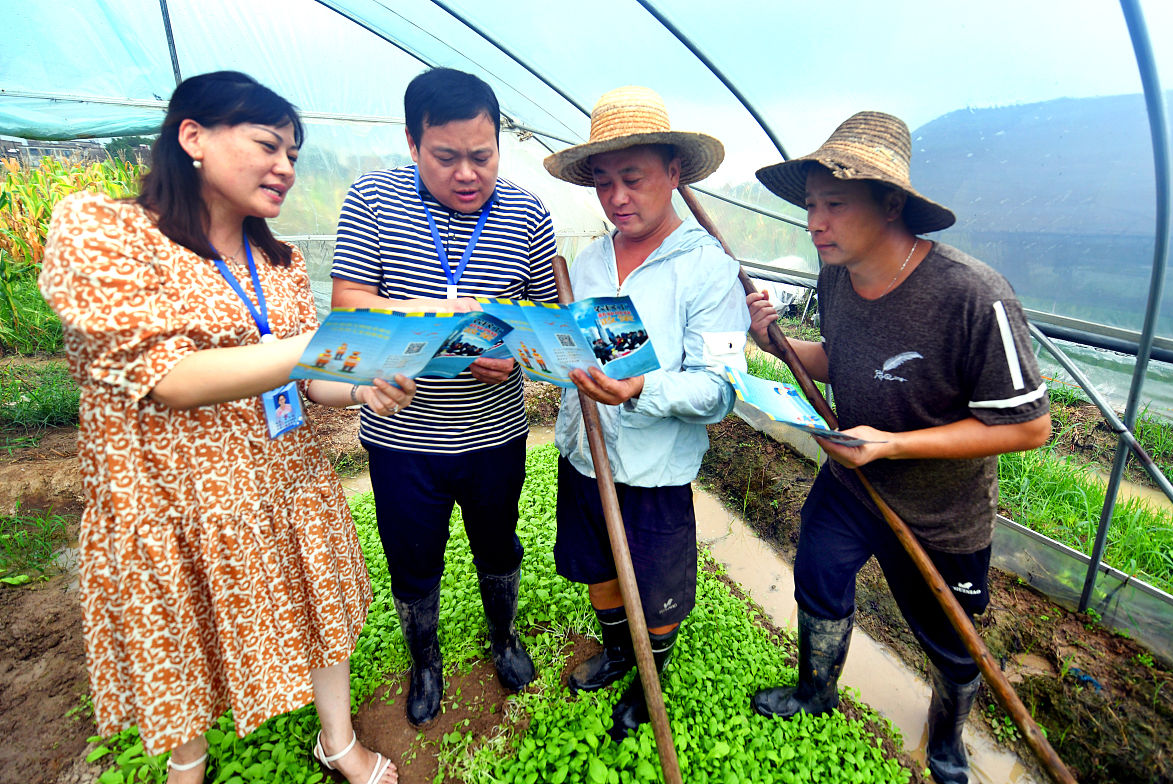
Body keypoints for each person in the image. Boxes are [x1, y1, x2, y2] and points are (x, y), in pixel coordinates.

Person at [38, 71, 411, 784]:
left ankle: (335, 740)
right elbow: (167, 378)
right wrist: (318, 349)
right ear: (193, 137)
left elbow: (312, 379)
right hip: (171, 502)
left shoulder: (279, 262)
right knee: (179, 635)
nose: (286, 168)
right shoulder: (103, 231)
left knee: (321, 609)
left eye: (295, 155)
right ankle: (188, 766)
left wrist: (366, 384)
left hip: (287, 481)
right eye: (269, 144)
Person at [745, 111, 1051, 784]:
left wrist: (894, 444)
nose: (813, 223)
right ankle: (815, 691)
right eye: (810, 206)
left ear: (890, 204)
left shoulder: (972, 295)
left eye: (833, 206)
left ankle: (946, 740)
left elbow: (1030, 426)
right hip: (852, 484)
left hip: (942, 512)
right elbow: (842, 357)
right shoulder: (835, 274)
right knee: (819, 581)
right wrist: (778, 345)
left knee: (950, 637)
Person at [331, 67, 556, 726]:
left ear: (498, 144)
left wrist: (511, 350)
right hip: (403, 441)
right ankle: (424, 659)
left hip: (494, 434)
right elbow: (350, 307)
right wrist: (442, 314)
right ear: (411, 141)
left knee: (499, 545)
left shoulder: (526, 212)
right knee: (413, 556)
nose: (468, 173)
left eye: (482, 156)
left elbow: (541, 316)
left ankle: (504, 638)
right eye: (446, 157)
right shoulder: (372, 200)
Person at [543, 86, 750, 740]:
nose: (617, 198)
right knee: (598, 569)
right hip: (586, 450)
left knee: (655, 590)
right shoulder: (590, 260)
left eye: (632, 179)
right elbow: (589, 349)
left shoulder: (708, 271)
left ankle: (648, 675)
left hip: (654, 469)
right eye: (603, 184)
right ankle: (615, 652)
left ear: (674, 173)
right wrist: (536, 356)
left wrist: (640, 391)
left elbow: (720, 389)